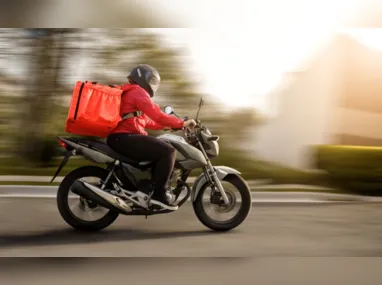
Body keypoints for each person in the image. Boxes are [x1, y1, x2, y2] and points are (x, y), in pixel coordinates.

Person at [107, 64, 196, 211]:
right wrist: (182, 123)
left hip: (122, 137)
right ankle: (158, 196)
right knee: (168, 151)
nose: (153, 85)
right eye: (152, 81)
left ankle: (147, 188)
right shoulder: (137, 92)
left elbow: (147, 121)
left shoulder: (131, 92)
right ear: (143, 78)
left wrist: (169, 126)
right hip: (125, 137)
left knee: (159, 148)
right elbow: (158, 115)